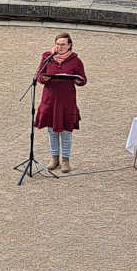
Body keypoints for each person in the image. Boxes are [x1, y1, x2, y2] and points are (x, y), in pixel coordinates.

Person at [34, 32, 87, 174]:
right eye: (58, 44)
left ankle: (65, 160)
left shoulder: (75, 61)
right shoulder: (47, 58)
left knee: (66, 132)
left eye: (63, 44)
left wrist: (78, 80)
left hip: (66, 101)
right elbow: (39, 76)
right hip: (50, 100)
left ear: (69, 45)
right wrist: (43, 79)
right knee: (51, 131)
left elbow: (83, 79)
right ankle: (54, 158)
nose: (60, 47)